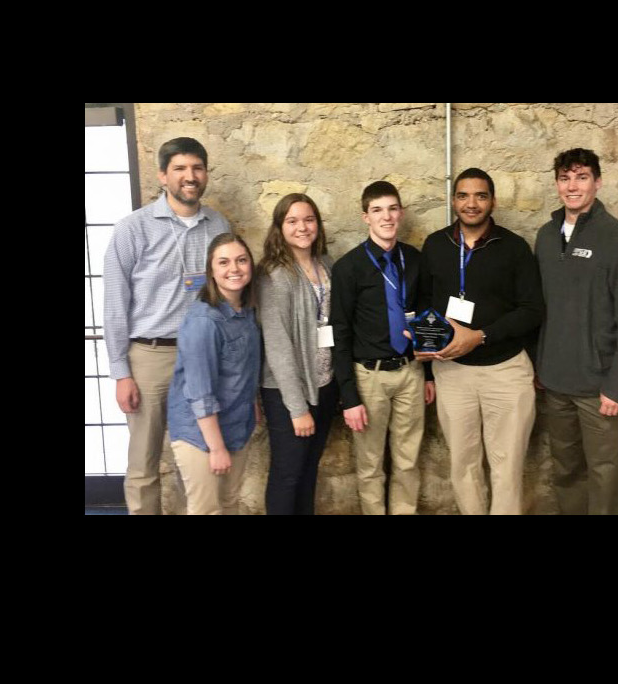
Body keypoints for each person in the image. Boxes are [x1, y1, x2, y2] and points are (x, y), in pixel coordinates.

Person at [102, 137, 232, 514]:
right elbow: (114, 305)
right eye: (179, 169)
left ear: (205, 174)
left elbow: (225, 295)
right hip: (149, 357)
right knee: (144, 462)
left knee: (195, 456)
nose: (189, 177)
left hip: (200, 357)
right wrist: (120, 372)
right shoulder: (132, 229)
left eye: (196, 168)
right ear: (162, 176)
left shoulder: (218, 225)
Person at [417, 168, 544, 515]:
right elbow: (425, 306)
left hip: (506, 372)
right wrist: (427, 362)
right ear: (454, 200)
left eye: (480, 196)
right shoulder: (435, 245)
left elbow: (533, 310)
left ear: (493, 202)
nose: (471, 204)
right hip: (452, 373)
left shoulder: (514, 248)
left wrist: (481, 336)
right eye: (463, 195)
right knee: (463, 465)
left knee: (507, 468)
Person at [534, 148, 618, 515]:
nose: (573, 186)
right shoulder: (546, 237)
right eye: (565, 178)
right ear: (557, 184)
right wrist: (542, 366)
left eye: (582, 177)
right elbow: (545, 310)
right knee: (568, 473)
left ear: (597, 182)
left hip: (600, 389)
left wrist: (617, 386)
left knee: (609, 476)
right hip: (556, 384)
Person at [330, 181, 433, 515]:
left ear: (400, 213)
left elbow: (425, 317)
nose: (386, 217)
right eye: (377, 210)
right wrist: (349, 396)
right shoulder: (348, 268)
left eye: (392, 209)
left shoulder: (414, 260)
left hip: (410, 372)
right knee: (370, 463)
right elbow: (340, 332)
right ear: (366, 217)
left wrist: (428, 374)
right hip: (369, 377)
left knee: (408, 460)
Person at [166, 233, 262, 515]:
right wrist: (216, 448)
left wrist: (252, 402)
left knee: (230, 503)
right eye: (224, 262)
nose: (234, 269)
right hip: (201, 434)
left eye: (241, 260)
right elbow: (199, 392)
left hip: (236, 424)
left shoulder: (246, 313)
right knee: (207, 510)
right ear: (211, 271)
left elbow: (244, 368)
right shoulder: (203, 321)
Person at [256, 193, 339, 515]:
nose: (302, 227)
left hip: (324, 384)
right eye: (292, 221)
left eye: (308, 219)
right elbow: (277, 346)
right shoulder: (273, 274)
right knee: (287, 474)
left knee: (308, 471)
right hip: (289, 392)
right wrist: (296, 408)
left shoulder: (326, 265)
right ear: (280, 227)